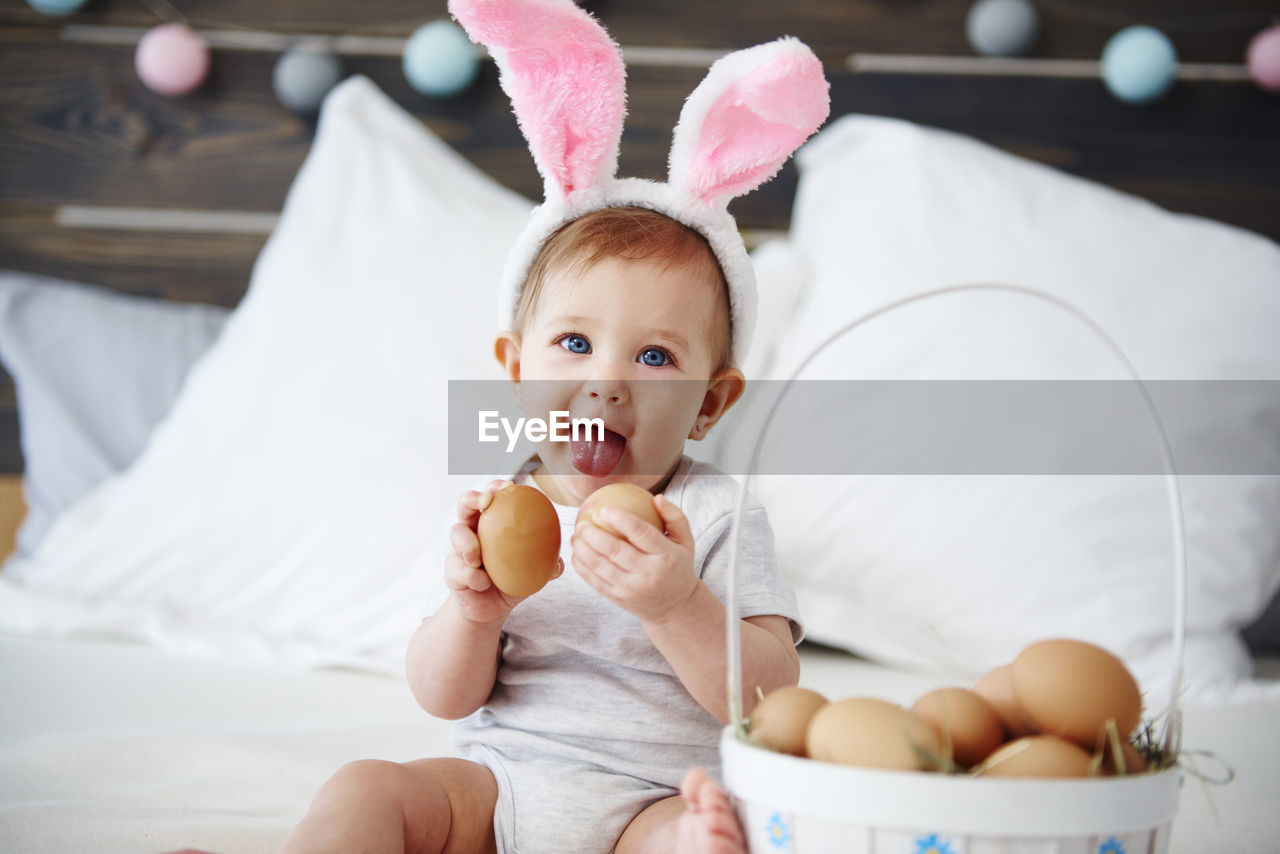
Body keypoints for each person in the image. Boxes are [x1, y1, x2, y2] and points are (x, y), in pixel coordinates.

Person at [282, 3, 829, 851]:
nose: (605, 383)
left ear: (712, 402)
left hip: (654, 799)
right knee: (366, 789)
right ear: (515, 367)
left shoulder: (717, 517)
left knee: (699, 837)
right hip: (497, 790)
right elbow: (442, 697)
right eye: (574, 343)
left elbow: (769, 700)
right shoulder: (502, 508)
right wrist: (473, 611)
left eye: (654, 359)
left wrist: (678, 603)